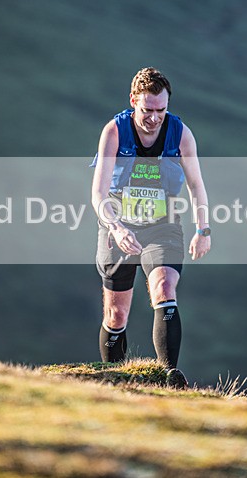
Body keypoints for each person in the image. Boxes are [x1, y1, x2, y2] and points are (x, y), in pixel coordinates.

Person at [91, 67, 211, 388]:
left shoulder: (181, 134)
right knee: (116, 315)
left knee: (164, 288)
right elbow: (98, 194)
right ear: (133, 101)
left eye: (161, 110)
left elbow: (196, 186)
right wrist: (116, 228)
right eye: (147, 110)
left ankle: (170, 375)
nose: (155, 118)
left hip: (162, 225)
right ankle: (115, 382)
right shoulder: (114, 132)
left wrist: (203, 230)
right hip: (118, 226)